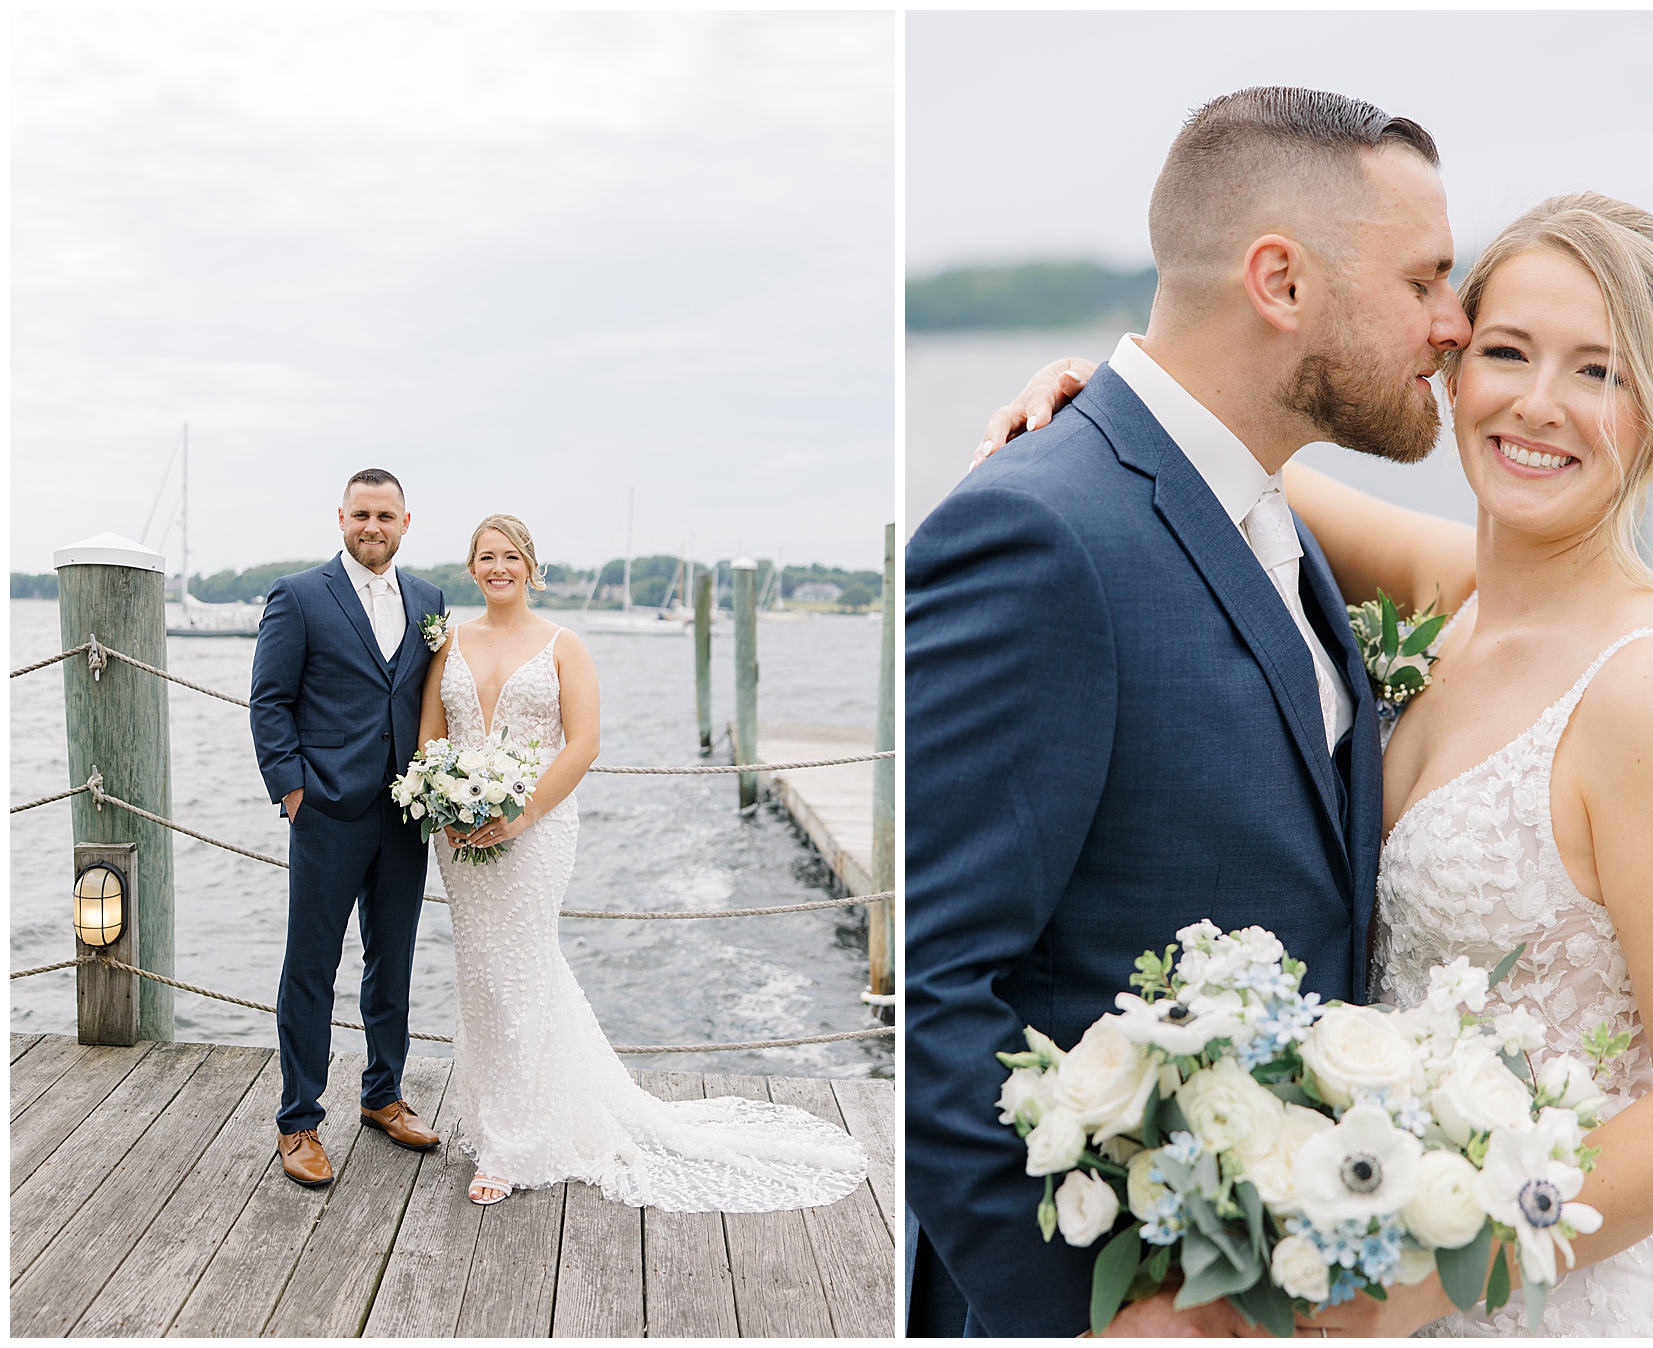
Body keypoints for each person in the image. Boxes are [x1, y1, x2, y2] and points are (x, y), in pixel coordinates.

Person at [974, 192, 1653, 1335]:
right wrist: (1095, 402)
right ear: (1450, 371)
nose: (1537, 403)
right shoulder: (1456, 597)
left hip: (1548, 1286)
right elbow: (1218, 459)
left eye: (1598, 374)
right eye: (1507, 351)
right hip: (1366, 1243)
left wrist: (1424, 1273)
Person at [906, 87, 1469, 1337]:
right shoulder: (1038, 531)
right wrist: (1094, 1317)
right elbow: (938, 990)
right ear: (1280, 280)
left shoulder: (1268, 509)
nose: (1456, 323)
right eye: (1427, 278)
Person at [418, 513, 868, 1209]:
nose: (498, 567)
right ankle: (497, 1117)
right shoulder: (449, 641)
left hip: (536, 828)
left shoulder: (564, 646)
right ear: (470, 568)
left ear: (532, 568)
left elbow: (583, 745)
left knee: (524, 967)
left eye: (511, 556)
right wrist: (446, 805)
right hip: (461, 835)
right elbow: (431, 736)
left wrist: (522, 813)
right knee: (481, 974)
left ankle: (517, 1144)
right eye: (486, 557)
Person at [250, 469, 448, 1187]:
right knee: (310, 967)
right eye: (361, 514)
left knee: (391, 960)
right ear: (341, 517)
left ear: (405, 522)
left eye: (385, 515)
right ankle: (298, 1121)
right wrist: (294, 791)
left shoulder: (429, 599)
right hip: (327, 812)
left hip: (405, 816)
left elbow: (431, 697)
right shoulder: (299, 596)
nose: (373, 526)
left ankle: (383, 1096)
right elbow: (269, 702)